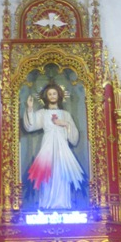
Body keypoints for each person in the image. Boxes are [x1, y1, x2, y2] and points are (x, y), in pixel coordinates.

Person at [23, 82, 86, 211]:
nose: (52, 96)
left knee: (61, 172)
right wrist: (29, 108)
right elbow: (30, 126)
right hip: (47, 147)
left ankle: (62, 203)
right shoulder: (43, 113)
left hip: (62, 148)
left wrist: (65, 124)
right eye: (50, 94)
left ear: (59, 95)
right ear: (46, 97)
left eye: (54, 94)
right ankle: (47, 203)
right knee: (48, 172)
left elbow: (74, 137)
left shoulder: (65, 114)